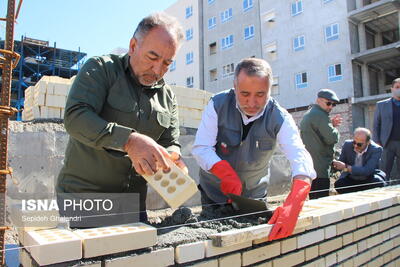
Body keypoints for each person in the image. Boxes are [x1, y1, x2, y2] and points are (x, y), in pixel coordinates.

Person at [56, 13, 187, 222]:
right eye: (152, 58)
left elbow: (170, 142)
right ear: (133, 45)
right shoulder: (101, 69)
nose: (157, 70)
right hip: (84, 198)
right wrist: (129, 141)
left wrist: (172, 158)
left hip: (132, 206)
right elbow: (75, 117)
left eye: (167, 63)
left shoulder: (167, 96)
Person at [192, 58, 316, 240]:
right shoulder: (217, 105)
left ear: (269, 90)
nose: (252, 102)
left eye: (260, 94)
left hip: (253, 198)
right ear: (234, 87)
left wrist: (297, 198)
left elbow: (298, 153)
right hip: (215, 193)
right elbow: (202, 147)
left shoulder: (279, 117)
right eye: (244, 94)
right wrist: (224, 172)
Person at [300, 89, 342, 199]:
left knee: (315, 200)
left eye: (333, 104)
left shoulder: (311, 113)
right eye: (328, 103)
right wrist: (335, 130)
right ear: (318, 100)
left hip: (312, 166)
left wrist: (330, 124)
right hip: (320, 167)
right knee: (321, 202)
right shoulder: (320, 115)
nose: (331, 107)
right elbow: (332, 138)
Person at [333, 128, 386, 194]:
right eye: (354, 142)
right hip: (351, 178)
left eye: (359, 144)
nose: (355, 146)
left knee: (378, 183)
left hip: (368, 178)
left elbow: (367, 170)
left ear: (368, 142)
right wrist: (335, 163)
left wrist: (346, 167)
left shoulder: (376, 149)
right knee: (339, 184)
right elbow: (341, 163)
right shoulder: (347, 144)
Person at [373, 78, 400, 184]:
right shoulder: (381, 105)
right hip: (387, 143)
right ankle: (383, 191)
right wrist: (377, 142)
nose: (399, 89)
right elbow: (376, 124)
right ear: (392, 89)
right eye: (397, 87)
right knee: (384, 171)